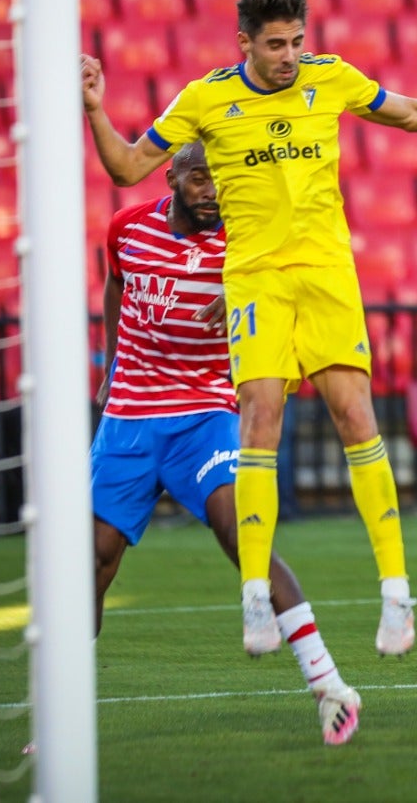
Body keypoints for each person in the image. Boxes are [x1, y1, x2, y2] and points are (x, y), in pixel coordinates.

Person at [81, 0, 417, 658]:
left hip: (328, 275)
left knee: (356, 416)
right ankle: (252, 597)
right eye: (276, 44)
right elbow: (126, 168)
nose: (290, 55)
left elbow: (412, 114)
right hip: (256, 281)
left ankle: (396, 592)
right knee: (260, 421)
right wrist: (95, 107)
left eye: (298, 40)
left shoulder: (328, 78)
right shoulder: (206, 98)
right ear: (245, 41)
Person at [91, 143, 360, 745]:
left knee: (242, 530)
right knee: (91, 563)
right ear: (173, 179)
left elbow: (297, 301)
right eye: (199, 179)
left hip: (207, 411)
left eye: (220, 180)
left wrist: (248, 296)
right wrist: (111, 362)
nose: (212, 191)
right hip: (130, 416)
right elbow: (116, 284)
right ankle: (59, 720)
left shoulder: (250, 243)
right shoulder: (127, 228)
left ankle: (329, 685)